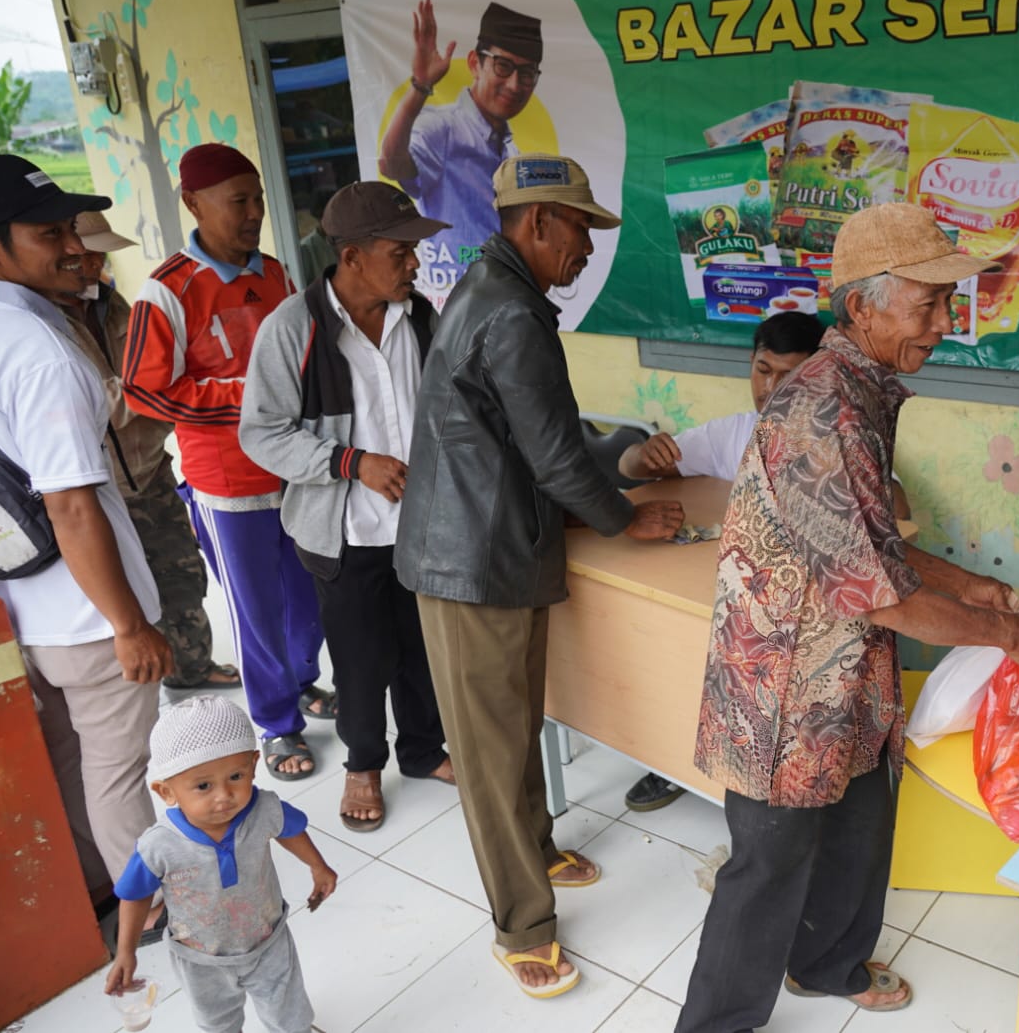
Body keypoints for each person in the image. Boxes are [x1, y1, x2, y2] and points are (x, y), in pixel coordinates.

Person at [676, 203, 1019, 1033]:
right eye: (927, 303)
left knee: (859, 823)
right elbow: (880, 590)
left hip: (847, 674)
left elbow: (868, 537)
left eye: (945, 301)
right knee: (769, 864)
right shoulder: (824, 410)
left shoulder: (864, 388)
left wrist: (971, 586)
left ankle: (825, 963)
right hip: (784, 687)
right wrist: (1010, 633)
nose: (944, 321)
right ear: (863, 307)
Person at [395, 153, 685, 999]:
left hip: (500, 550)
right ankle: (522, 921)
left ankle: (540, 842)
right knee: (488, 751)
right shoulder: (510, 313)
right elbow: (556, 453)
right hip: (468, 563)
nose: (587, 249)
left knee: (517, 723)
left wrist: (616, 470)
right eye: (581, 231)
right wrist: (627, 515)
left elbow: (541, 435)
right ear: (538, 223)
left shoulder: (503, 295)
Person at [0, 154, 173, 943]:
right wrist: (130, 624)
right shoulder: (36, 348)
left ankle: (93, 887)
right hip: (89, 618)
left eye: (69, 228)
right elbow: (70, 504)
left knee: (69, 757)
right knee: (116, 768)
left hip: (22, 600)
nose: (70, 245)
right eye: (46, 232)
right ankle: (150, 906)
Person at [616, 311, 914, 814]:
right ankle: (665, 757)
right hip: (737, 599)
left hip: (798, 629)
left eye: (789, 373)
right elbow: (627, 467)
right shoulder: (736, 432)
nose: (770, 386)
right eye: (762, 369)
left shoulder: (835, 434)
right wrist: (643, 457)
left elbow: (900, 510)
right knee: (673, 640)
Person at [240, 182, 456, 833]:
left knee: (421, 647)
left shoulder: (416, 315)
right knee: (362, 658)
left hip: (419, 525)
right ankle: (364, 761)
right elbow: (262, 433)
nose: (415, 262)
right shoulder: (292, 328)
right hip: (346, 531)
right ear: (353, 257)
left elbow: (442, 403)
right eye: (401, 251)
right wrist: (351, 462)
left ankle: (422, 749)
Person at [124, 143, 331, 783]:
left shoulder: (274, 273)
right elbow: (145, 388)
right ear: (194, 203)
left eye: (258, 198)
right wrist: (251, 397)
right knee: (254, 609)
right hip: (229, 484)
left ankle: (300, 682)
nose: (254, 212)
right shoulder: (168, 291)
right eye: (238, 201)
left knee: (309, 593)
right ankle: (274, 723)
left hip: (295, 472)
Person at [51, 209, 241, 693]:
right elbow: (89, 408)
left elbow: (163, 391)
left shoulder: (120, 309)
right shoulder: (45, 326)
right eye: (85, 255)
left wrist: (143, 394)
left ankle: (191, 669)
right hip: (97, 489)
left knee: (183, 572)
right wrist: (142, 391)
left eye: (101, 254)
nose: (95, 264)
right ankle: (139, 686)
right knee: (120, 595)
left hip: (153, 469)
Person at [105, 695, 337, 1033]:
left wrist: (318, 866)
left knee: (290, 1014)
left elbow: (288, 829)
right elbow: (136, 895)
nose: (223, 796)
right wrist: (126, 952)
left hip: (269, 940)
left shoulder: (264, 809)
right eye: (203, 785)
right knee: (218, 1024)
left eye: (236, 776)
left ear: (254, 765)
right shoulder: (159, 845)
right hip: (201, 960)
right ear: (166, 791)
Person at [378, 0, 542, 291]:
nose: (515, 85)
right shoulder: (442, 128)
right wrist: (419, 87)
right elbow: (391, 165)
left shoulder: (512, 152)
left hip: (504, 294)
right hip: (453, 303)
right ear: (474, 64)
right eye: (503, 66)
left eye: (527, 74)